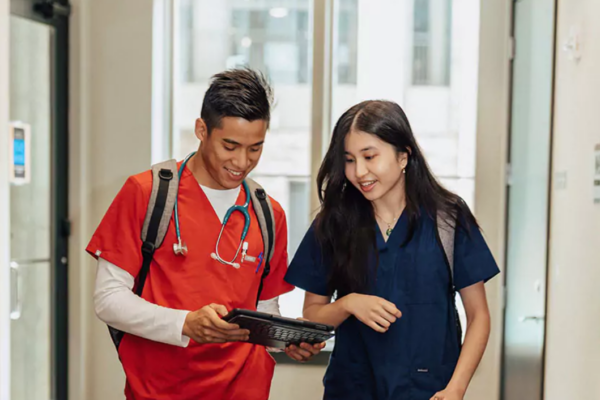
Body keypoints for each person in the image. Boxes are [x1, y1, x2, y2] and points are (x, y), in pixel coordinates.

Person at [87, 68, 324, 400]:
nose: (242, 162)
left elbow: (266, 309)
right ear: (202, 130)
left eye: (255, 148)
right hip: (160, 390)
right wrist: (186, 323)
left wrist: (285, 339)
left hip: (245, 389)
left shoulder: (269, 214)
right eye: (230, 145)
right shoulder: (147, 194)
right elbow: (109, 300)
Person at [285, 100, 500, 400]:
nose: (359, 171)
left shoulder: (448, 219)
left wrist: (456, 389)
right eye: (349, 159)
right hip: (351, 390)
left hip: (429, 392)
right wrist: (348, 304)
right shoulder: (334, 223)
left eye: (370, 156)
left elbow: (479, 316)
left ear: (403, 156)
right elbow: (313, 316)